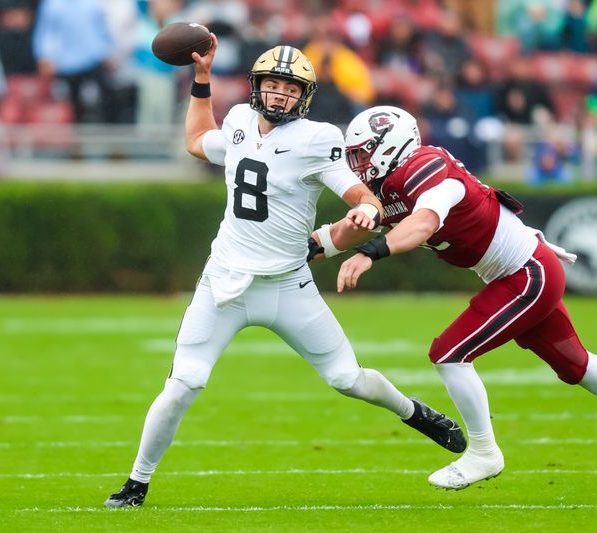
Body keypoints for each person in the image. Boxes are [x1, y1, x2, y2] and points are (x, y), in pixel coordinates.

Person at [103, 44, 466, 507]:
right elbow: (197, 141)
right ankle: (137, 483)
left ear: (304, 96)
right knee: (183, 384)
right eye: (272, 85)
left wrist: (368, 212)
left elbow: (360, 194)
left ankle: (414, 413)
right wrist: (201, 80)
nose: (278, 95)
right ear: (257, 87)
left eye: (289, 88)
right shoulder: (235, 121)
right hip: (225, 284)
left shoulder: (317, 139)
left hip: (289, 284)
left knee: (346, 379)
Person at [326, 105, 597, 490]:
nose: (359, 165)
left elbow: (424, 223)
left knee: (449, 354)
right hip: (524, 270)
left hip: (525, 273)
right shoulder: (390, 188)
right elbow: (343, 233)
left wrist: (371, 252)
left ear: (390, 147)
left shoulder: (424, 166)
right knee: (573, 364)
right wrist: (302, 249)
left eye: (364, 154)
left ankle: (484, 452)